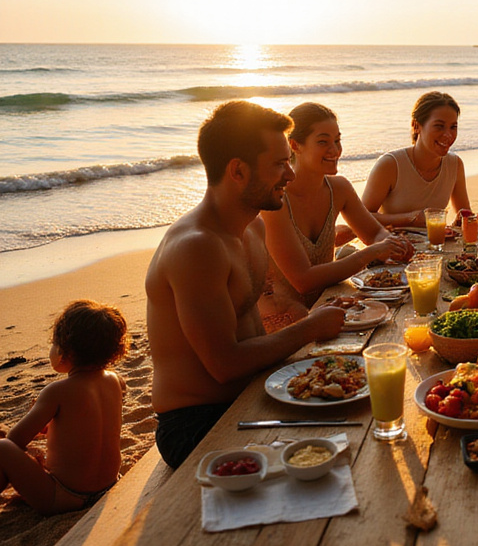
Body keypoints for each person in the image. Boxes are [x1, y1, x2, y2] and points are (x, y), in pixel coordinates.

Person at [147, 100, 349, 469]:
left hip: (258, 390)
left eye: (288, 160)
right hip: (198, 421)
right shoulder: (197, 247)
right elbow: (223, 364)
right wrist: (308, 328)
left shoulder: (253, 227)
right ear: (237, 170)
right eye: (278, 164)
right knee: (329, 461)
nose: (289, 174)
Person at [259, 102, 415, 329]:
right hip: (285, 319)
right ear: (295, 145)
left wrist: (391, 245)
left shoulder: (338, 188)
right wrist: (370, 253)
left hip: (330, 304)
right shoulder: (276, 200)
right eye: (323, 142)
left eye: (337, 140)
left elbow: (375, 232)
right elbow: (303, 280)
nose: (335, 150)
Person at [0, 300, 126, 513]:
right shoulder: (116, 381)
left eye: (53, 343)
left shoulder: (56, 391)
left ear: (64, 351)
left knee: (3, 447)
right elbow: (89, 425)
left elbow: (16, 439)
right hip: (109, 485)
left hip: (64, 496)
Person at [361, 91, 471, 227]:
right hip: (392, 246)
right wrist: (410, 218)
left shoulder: (455, 164)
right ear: (416, 126)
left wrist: (464, 223)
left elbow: (464, 215)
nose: (448, 135)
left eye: (453, 127)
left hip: (436, 246)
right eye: (439, 126)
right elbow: (360, 218)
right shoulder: (390, 165)